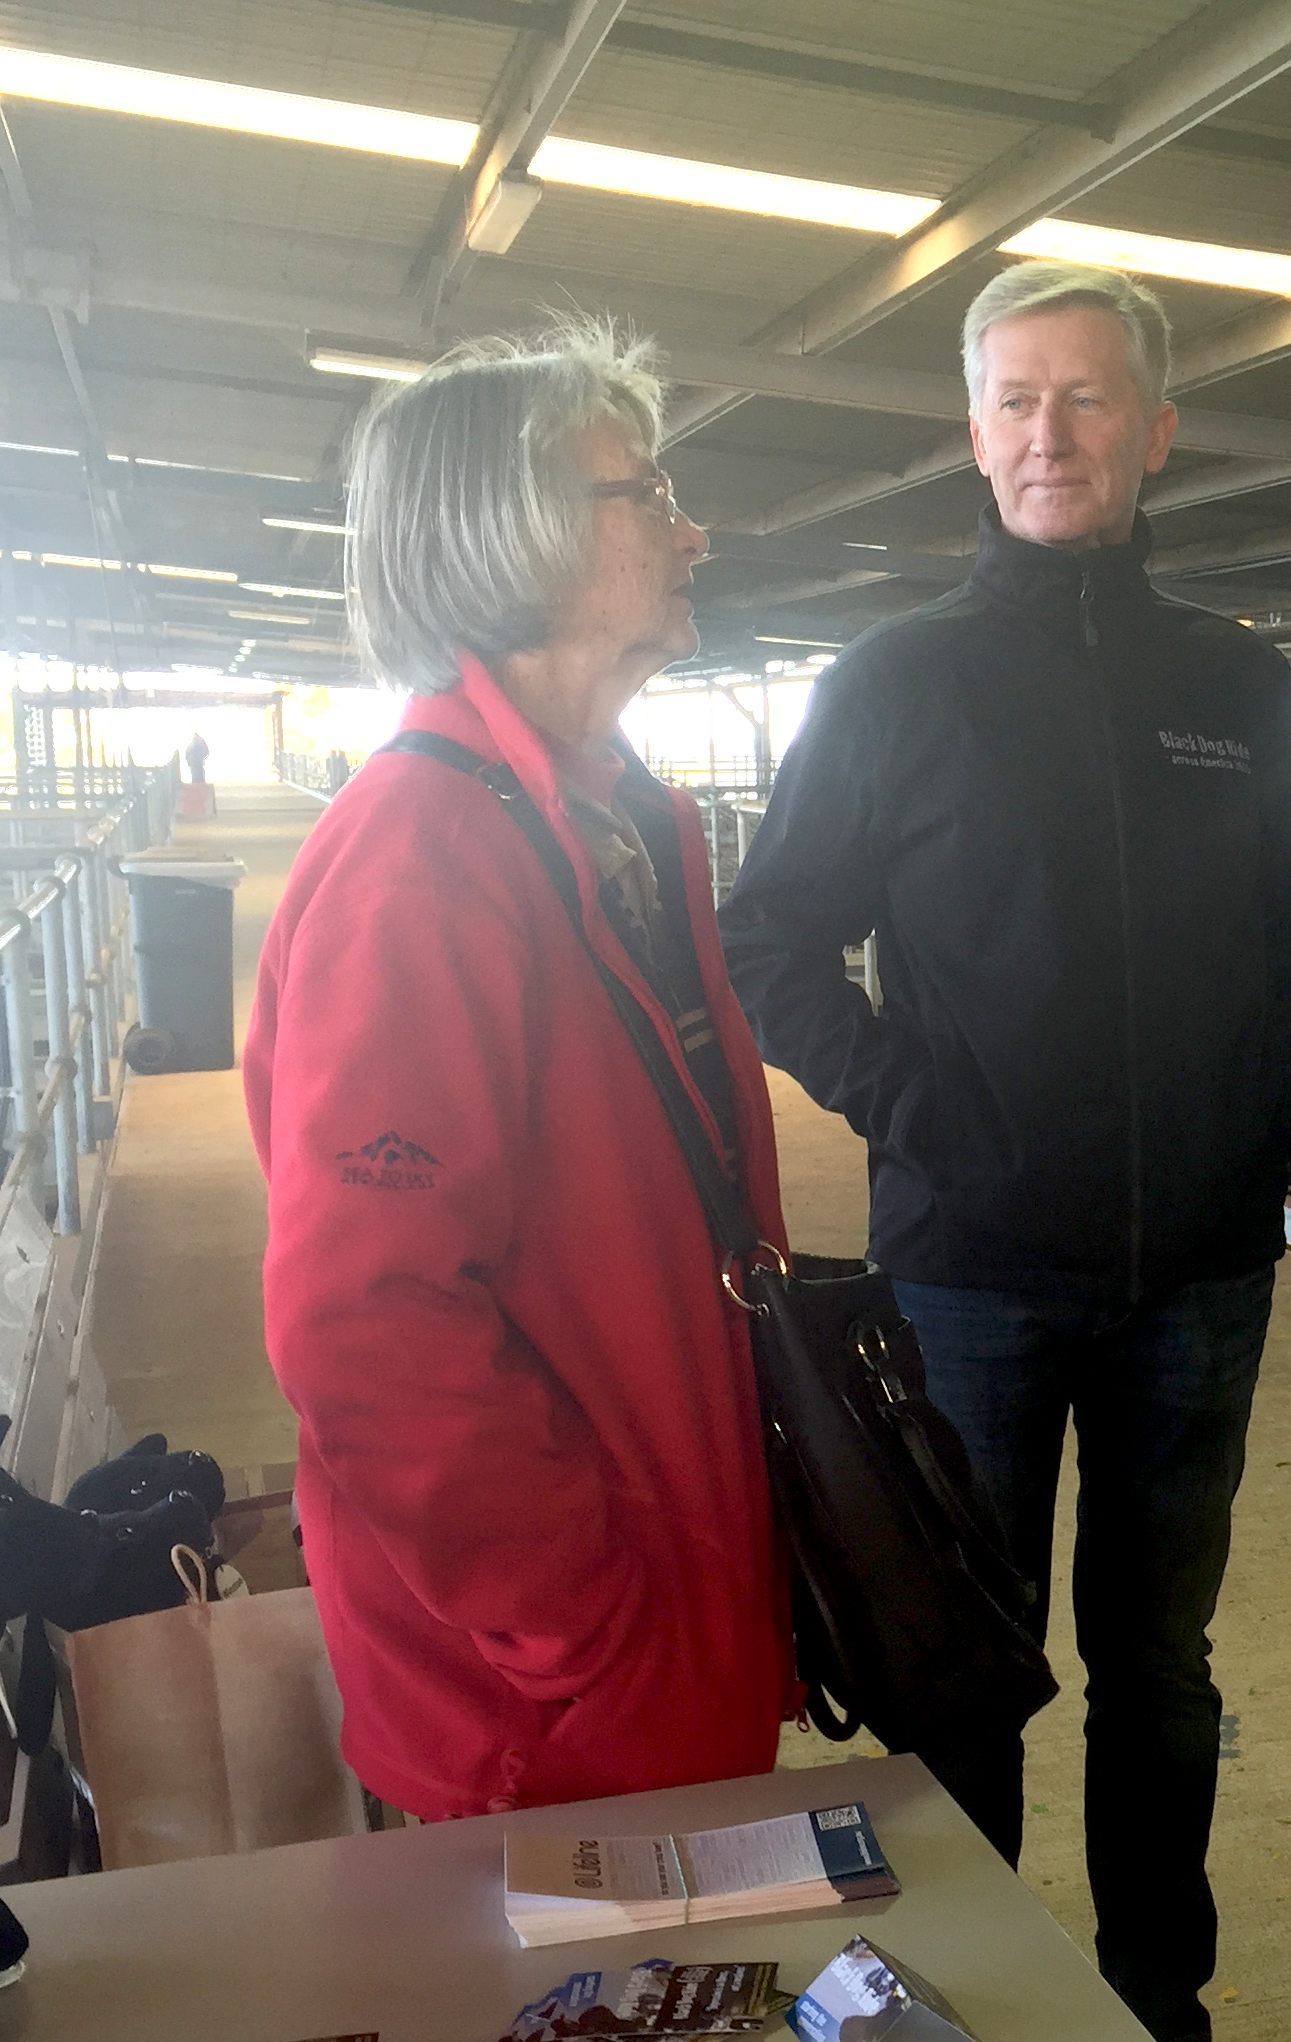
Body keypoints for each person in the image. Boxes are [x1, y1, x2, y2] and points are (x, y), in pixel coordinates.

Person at [719, 260, 1291, 2042]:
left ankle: (1165, 2028)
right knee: (960, 1674)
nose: (1046, 433)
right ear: (972, 429)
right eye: (1012, 399)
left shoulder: (1231, 682)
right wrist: (924, 1109)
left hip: (1195, 1281)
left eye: (1084, 399)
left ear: (1155, 432)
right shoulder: (898, 680)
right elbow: (768, 935)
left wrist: (1252, 1136)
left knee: (1158, 1673)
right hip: (970, 1278)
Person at [242, 325, 792, 1823]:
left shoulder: (605, 825)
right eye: (646, 492)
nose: (690, 530)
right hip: (541, 1693)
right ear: (515, 536)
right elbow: (365, 1315)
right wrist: (574, 1623)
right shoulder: (421, 863)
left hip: (659, 1598)